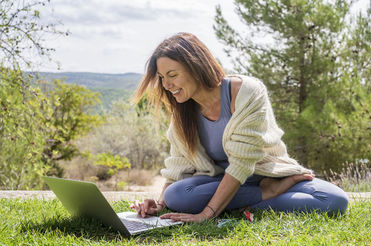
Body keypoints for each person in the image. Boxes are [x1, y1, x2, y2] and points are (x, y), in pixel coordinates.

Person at [130, 32, 348, 222]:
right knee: (177, 195)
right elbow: (178, 165)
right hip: (217, 183)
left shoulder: (247, 92)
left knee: (335, 201)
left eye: (172, 75)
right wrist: (161, 203)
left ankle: (250, 198)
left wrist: (207, 212)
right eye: (161, 78)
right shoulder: (182, 111)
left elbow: (242, 163)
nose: (167, 86)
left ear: (196, 67)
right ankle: (261, 196)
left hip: (264, 174)